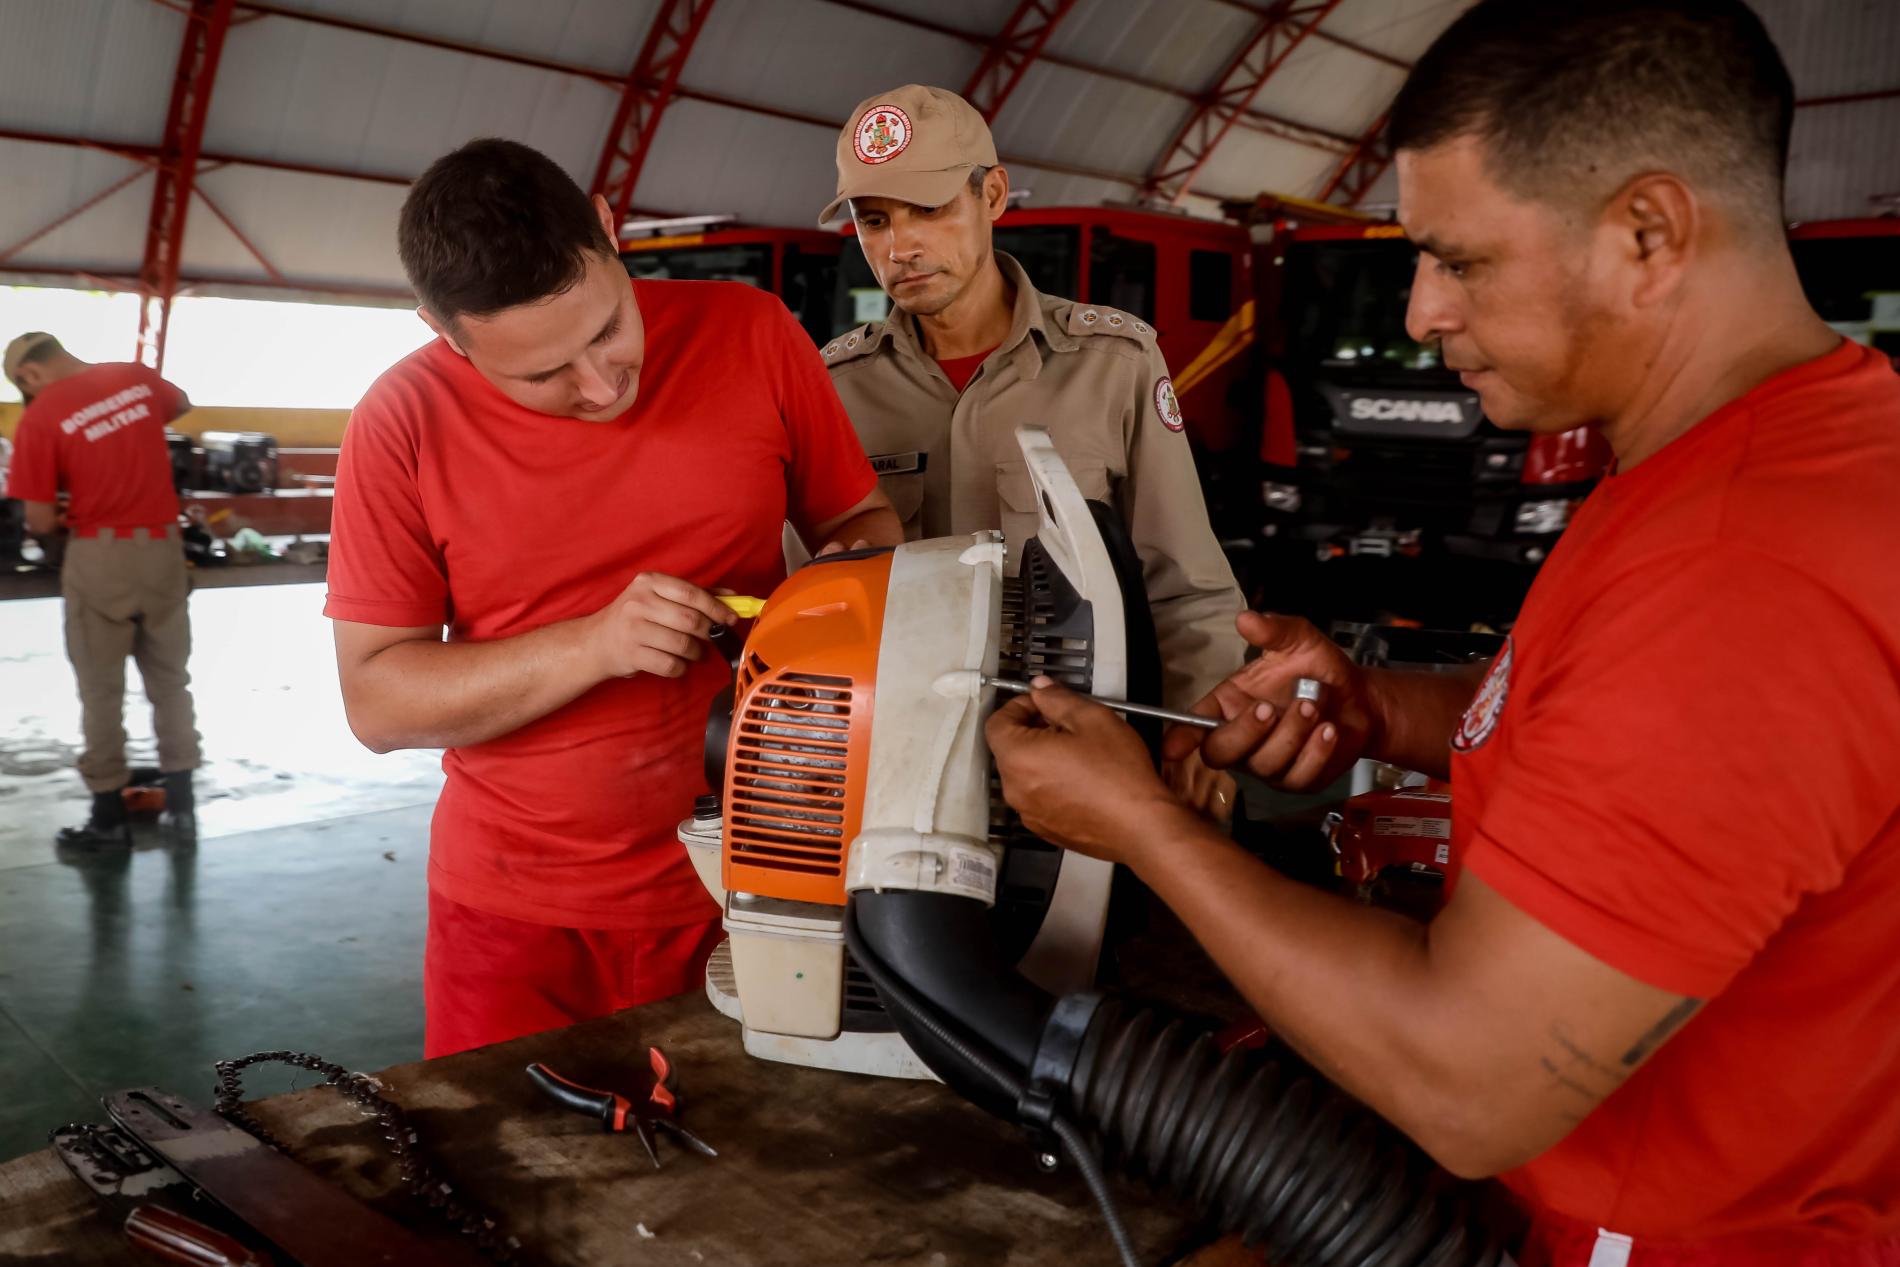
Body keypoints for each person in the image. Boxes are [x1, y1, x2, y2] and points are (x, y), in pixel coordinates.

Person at [985, 2, 1900, 1264]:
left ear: (1649, 233)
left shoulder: (1743, 568)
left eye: (1460, 260)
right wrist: (1379, 708)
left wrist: (1140, 823)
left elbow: (1466, 1083)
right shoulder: (1782, 449)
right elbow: (1636, 726)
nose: (1420, 311)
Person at [326, 138, 900, 1058]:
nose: (601, 387)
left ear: (607, 227)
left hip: (769, 870)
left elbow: (866, 521)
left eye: (606, 330)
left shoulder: (752, 333)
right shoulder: (400, 422)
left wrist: (818, 609)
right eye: (542, 374)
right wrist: (594, 644)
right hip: (516, 915)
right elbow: (378, 702)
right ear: (444, 330)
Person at [817, 85, 1246, 816]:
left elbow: (1187, 588)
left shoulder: (1112, 362)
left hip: (1076, 760)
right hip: (894, 772)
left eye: (930, 209)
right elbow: (810, 606)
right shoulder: (834, 388)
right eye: (875, 219)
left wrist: (1192, 738)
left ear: (992, 194)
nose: (901, 246)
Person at [4, 332, 201, 847]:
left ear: (29, 376)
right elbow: (178, 403)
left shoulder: (42, 416)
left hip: (99, 557)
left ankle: (108, 818)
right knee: (170, 682)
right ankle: (182, 809)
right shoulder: (133, 377)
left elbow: (41, 519)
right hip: (163, 551)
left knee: (101, 690)